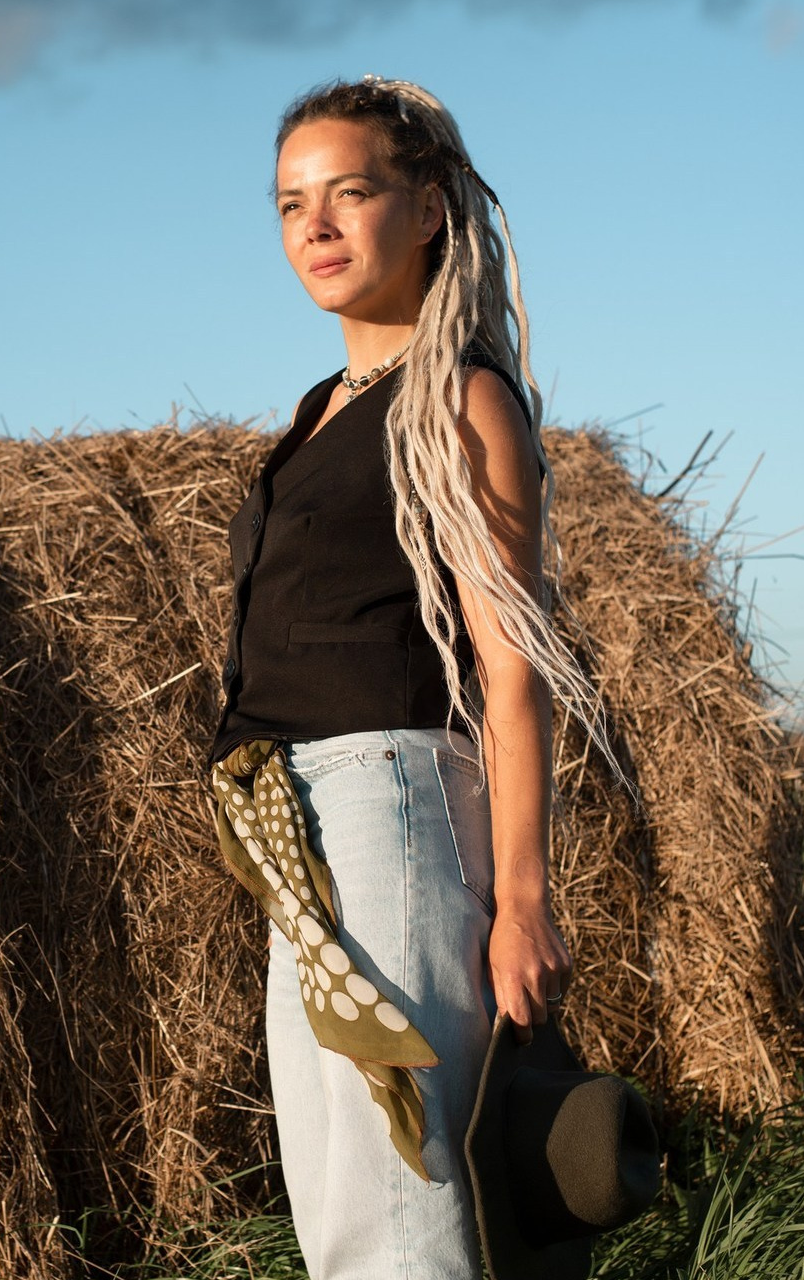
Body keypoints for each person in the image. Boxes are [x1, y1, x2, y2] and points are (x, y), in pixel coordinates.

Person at [207, 77, 620, 1280]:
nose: (315, 226)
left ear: (428, 206)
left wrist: (523, 900)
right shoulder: (322, 410)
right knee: (346, 1200)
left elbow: (513, 665)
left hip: (388, 807)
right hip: (307, 828)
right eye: (291, 204)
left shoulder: (460, 394)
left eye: (350, 192)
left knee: (398, 1205)